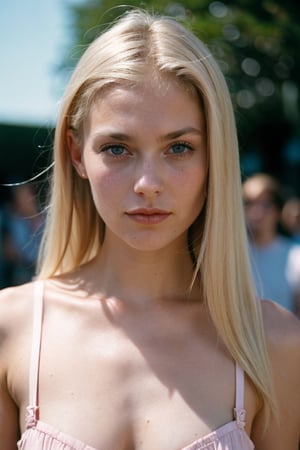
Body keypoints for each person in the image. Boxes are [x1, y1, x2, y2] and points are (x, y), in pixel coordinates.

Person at [0, 9, 299, 450]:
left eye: (179, 147)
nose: (148, 185)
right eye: (117, 148)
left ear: (213, 156)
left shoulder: (274, 343)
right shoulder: (12, 328)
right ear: (78, 154)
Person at [243, 173, 300, 317]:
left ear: (277, 209)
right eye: (249, 203)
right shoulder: (227, 256)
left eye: (265, 204)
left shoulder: (295, 256)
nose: (257, 211)